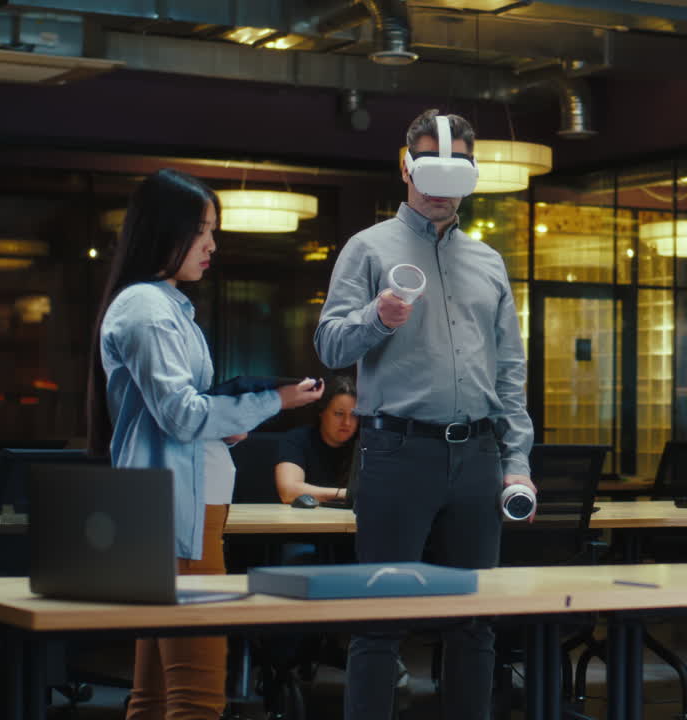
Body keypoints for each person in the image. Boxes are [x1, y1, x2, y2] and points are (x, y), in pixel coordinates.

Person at [314, 109, 535, 720]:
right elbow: (329, 345)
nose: (441, 187)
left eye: (456, 170)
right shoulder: (367, 248)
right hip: (396, 453)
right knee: (379, 621)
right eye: (431, 170)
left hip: (478, 457)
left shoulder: (487, 261)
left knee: (473, 622)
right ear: (407, 167)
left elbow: (510, 371)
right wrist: (376, 318)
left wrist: (517, 461)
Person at [87, 168, 323, 719]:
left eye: (213, 230)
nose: (212, 245)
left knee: (156, 696)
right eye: (201, 231)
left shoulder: (162, 305)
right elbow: (182, 416)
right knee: (197, 697)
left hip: (176, 508)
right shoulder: (148, 310)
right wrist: (275, 401)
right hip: (177, 514)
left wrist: (229, 423)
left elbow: (178, 416)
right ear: (164, 231)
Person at [275, 375, 359, 505]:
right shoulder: (297, 440)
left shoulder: (365, 445)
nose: (347, 422)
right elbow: (288, 492)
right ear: (321, 412)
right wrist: (344, 494)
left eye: (354, 415)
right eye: (339, 414)